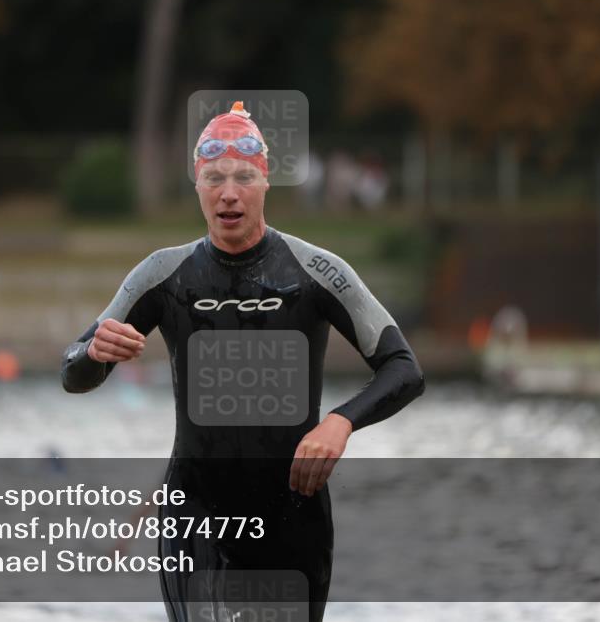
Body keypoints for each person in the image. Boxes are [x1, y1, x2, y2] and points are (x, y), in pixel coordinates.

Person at [61, 101, 425, 622]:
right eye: (214, 178)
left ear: (265, 181)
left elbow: (403, 368)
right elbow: (73, 371)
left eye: (243, 177)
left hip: (292, 513)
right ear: (197, 185)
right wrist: (95, 353)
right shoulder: (163, 274)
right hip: (194, 514)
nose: (228, 192)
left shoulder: (315, 271)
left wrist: (341, 422)